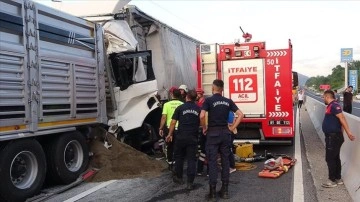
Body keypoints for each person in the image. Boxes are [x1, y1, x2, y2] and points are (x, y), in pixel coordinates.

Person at [200, 79, 244, 200]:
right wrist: (232, 128)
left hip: (213, 134)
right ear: (222, 89)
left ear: (213, 88)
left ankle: (213, 194)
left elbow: (202, 115)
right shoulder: (228, 101)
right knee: (225, 162)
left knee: (212, 162)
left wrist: (204, 127)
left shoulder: (208, 100)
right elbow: (241, 114)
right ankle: (225, 191)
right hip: (225, 133)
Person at [166, 90, 201, 190]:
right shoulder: (198, 108)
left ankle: (179, 178)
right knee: (191, 159)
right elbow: (202, 120)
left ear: (187, 97)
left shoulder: (180, 108)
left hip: (181, 136)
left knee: (179, 157)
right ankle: (190, 182)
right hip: (193, 137)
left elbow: (173, 123)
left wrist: (169, 134)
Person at [321, 90, 355, 188]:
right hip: (334, 136)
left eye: (324, 97)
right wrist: (341, 134)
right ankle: (338, 178)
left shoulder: (334, 105)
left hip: (333, 137)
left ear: (327, 97)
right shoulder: (330, 106)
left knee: (330, 158)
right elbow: (339, 122)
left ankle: (332, 180)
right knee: (335, 158)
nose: (323, 99)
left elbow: (342, 118)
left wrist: (348, 133)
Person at [159, 88, 183, 172]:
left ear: (172, 95)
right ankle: (177, 163)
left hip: (169, 129)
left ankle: (170, 164)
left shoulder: (166, 104)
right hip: (179, 129)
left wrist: (161, 128)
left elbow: (164, 117)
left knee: (169, 146)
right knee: (178, 147)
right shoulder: (182, 104)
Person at [195, 88, 207, 176]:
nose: (196, 95)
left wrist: (204, 127)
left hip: (203, 127)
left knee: (204, 150)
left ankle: (200, 169)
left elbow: (202, 116)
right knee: (203, 150)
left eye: (197, 94)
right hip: (202, 127)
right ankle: (200, 170)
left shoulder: (203, 104)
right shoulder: (199, 103)